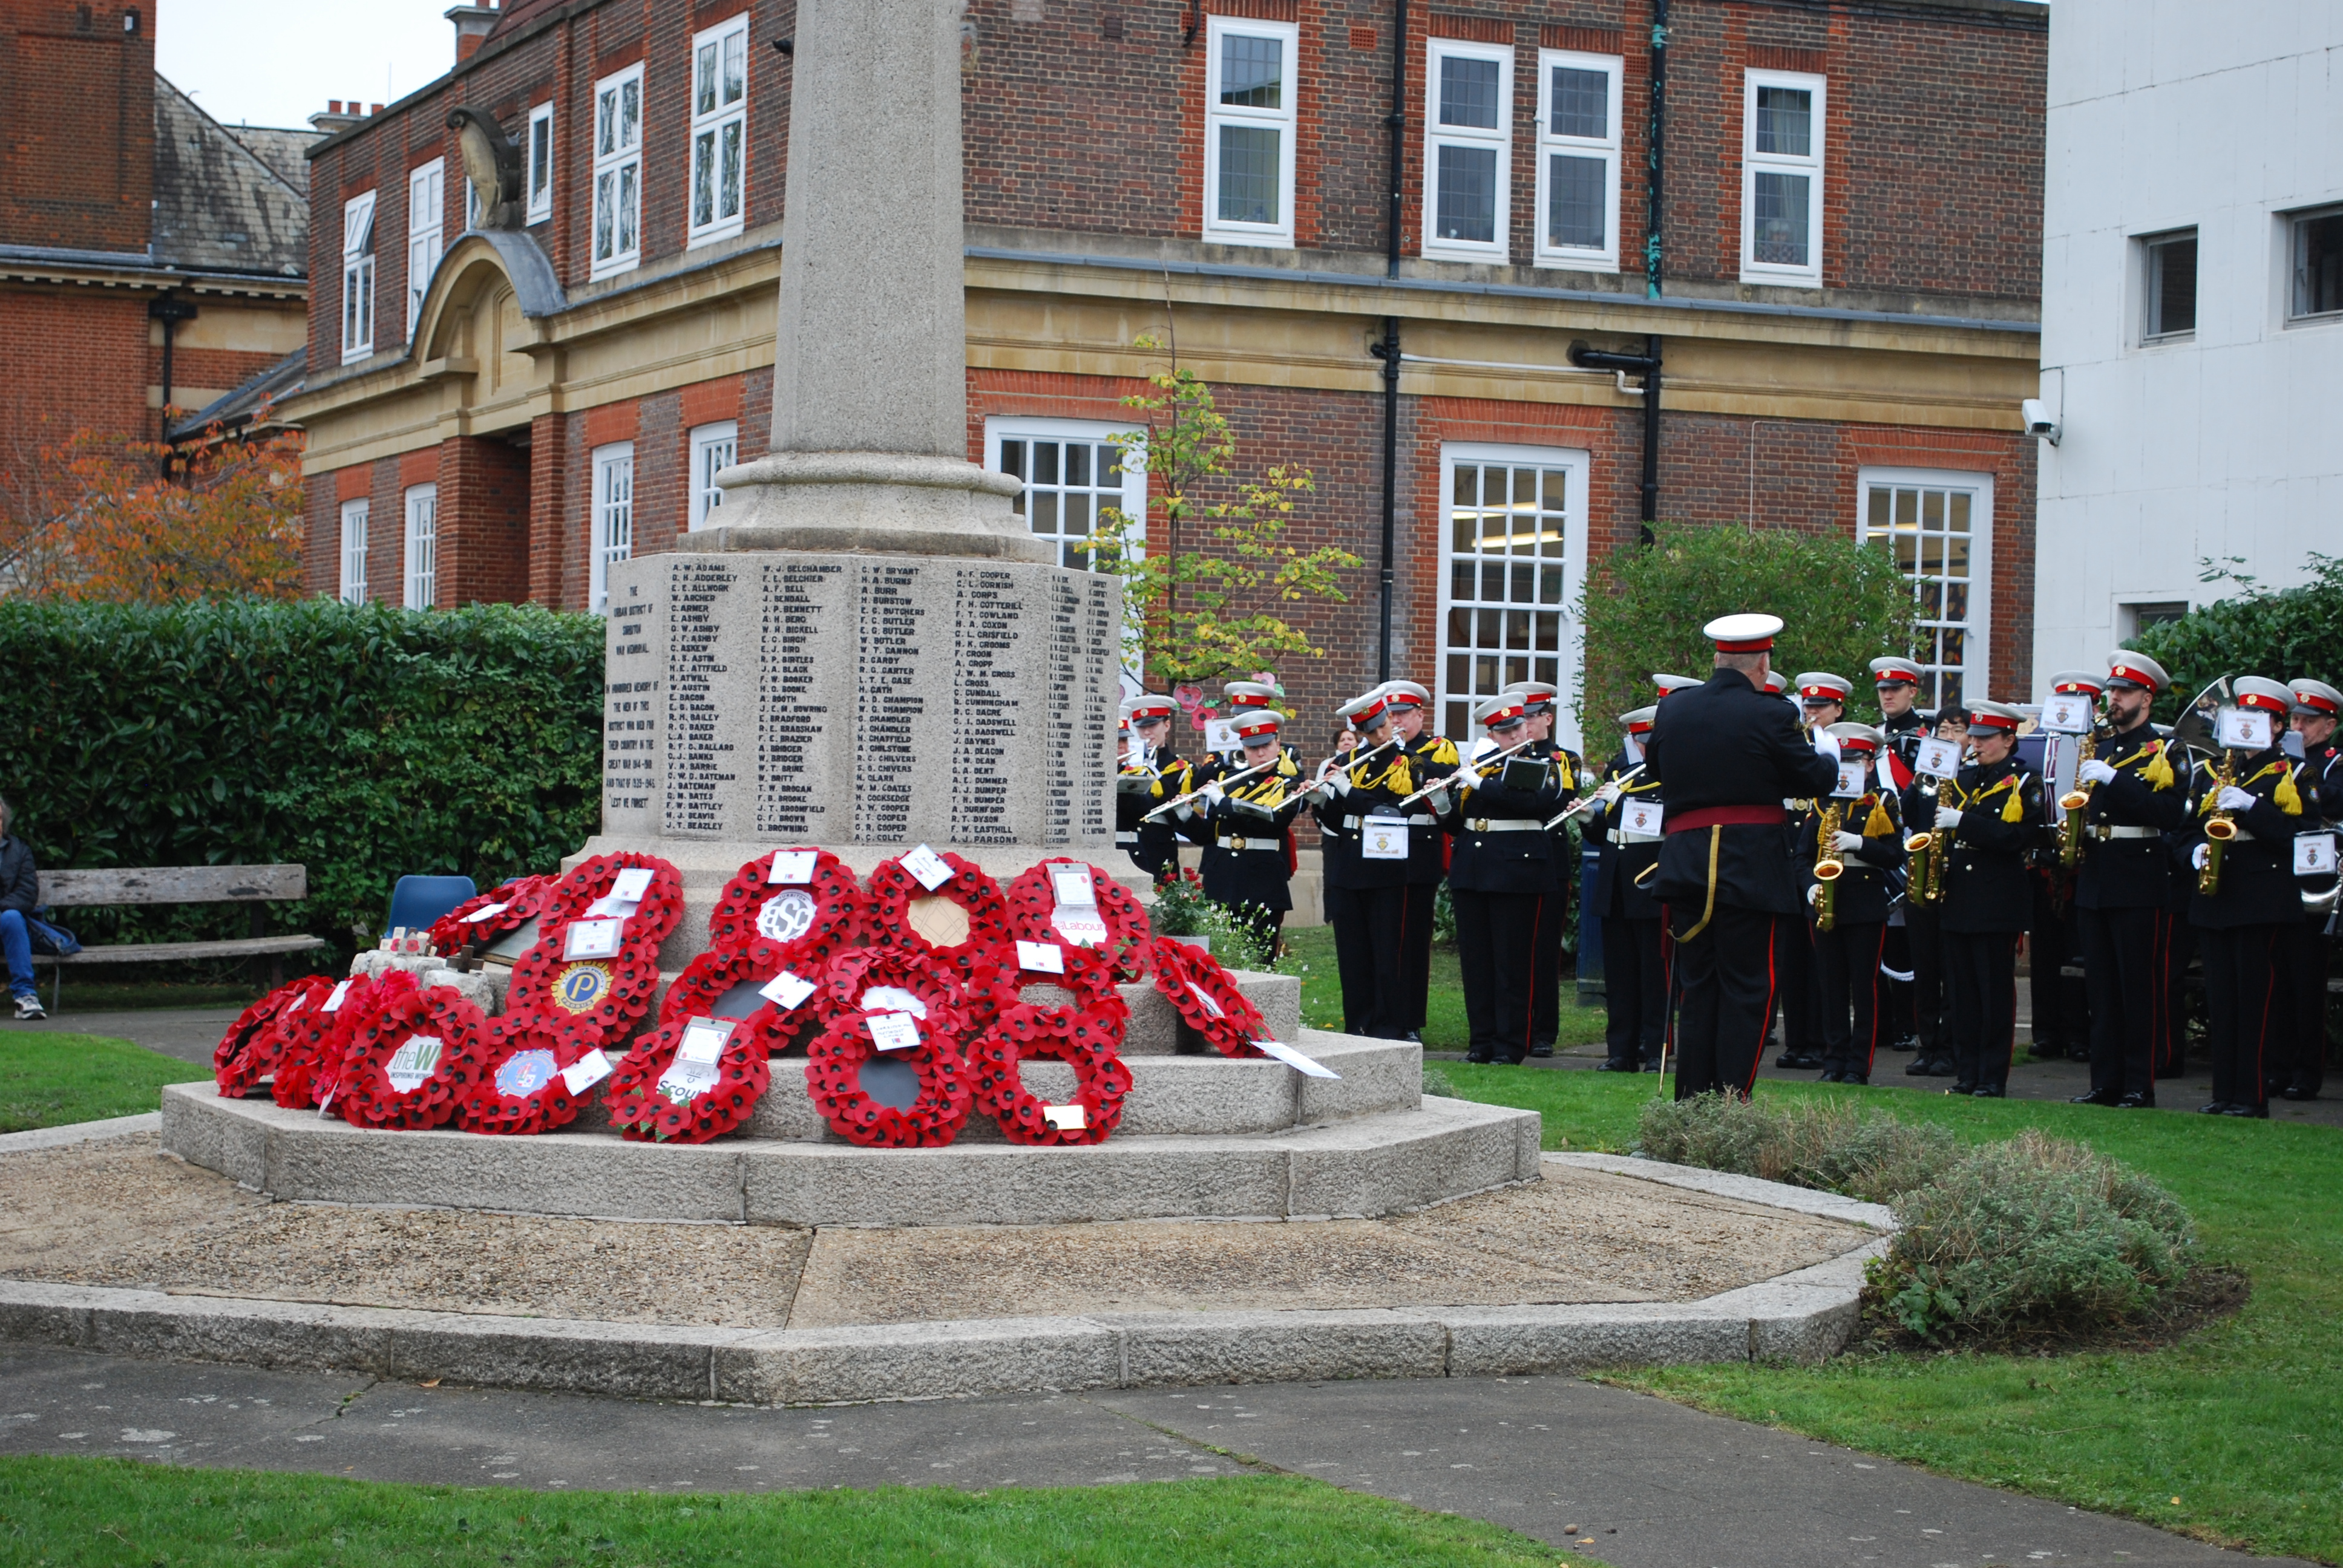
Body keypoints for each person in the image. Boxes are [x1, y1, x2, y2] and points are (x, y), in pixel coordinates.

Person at [1644, 613, 1838, 1099]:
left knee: (1699, 986)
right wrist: (1829, 756)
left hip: (1687, 863)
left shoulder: (1674, 710)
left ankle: (1692, 1100)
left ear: (1717, 658)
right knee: (1749, 988)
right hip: (1749, 865)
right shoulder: (1772, 713)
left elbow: (1657, 769)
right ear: (1763, 662)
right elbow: (1812, 780)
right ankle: (1732, 1101)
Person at [2185, 677, 2313, 1119]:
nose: (2249, 726)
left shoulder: (2294, 774)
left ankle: (2252, 1096)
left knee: (2255, 1002)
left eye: (2260, 719)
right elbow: (2182, 831)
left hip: (2262, 900)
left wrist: (2253, 808)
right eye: (2244, 717)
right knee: (2223, 1002)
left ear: (2278, 727)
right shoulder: (2215, 771)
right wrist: (2194, 851)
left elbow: (2303, 841)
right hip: (2217, 895)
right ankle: (2224, 1093)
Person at [2065, 655, 2187, 1109]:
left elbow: (2169, 814)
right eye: (2112, 692)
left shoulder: (2166, 751)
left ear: (2146, 699)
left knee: (2138, 987)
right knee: (2101, 987)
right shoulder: (2101, 746)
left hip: (2139, 875)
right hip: (2097, 873)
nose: (2113, 699)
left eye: (2124, 692)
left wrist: (2115, 780)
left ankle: (2140, 1083)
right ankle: (2106, 1082)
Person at [1428, 696, 1568, 1063]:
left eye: (1516, 729)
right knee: (1477, 963)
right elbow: (1458, 823)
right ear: (1491, 734)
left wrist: (1478, 781)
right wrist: (1443, 799)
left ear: (1526, 728)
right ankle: (1482, 1040)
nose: (1512, 736)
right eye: (1503, 732)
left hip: (1516, 871)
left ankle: (1510, 1044)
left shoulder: (1540, 763)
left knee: (1513, 961)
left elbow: (1529, 803)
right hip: (1473, 869)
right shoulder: (1482, 768)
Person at [1936, 701, 2041, 1097]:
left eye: (1985, 738)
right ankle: (1967, 1073)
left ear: (2009, 739)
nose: (1976, 745)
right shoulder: (1963, 778)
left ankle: (1993, 1076)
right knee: (1962, 993)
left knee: (1994, 992)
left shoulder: (2023, 782)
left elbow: (2016, 838)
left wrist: (1964, 822)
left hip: (1997, 898)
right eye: (1974, 737)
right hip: (1959, 897)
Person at [1799, 722, 1906, 1084]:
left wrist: (1861, 844)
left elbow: (1894, 855)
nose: (1845, 767)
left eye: (1853, 760)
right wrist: (1810, 886)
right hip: (1826, 903)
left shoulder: (1883, 802)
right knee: (1830, 987)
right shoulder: (1821, 801)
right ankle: (1833, 1061)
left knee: (1863, 987)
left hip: (1864, 903)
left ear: (1870, 764)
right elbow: (1801, 857)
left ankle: (1859, 1065)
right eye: (1840, 760)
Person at [1311, 690, 1417, 1037]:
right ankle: (1358, 1022)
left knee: (1387, 951)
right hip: (1349, 862)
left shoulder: (1407, 761)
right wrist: (1321, 799)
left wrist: (1347, 790)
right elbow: (1336, 820)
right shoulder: (1351, 760)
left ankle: (1389, 1024)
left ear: (1389, 720)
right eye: (1370, 732)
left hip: (1385, 861)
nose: (1380, 736)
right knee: (1352, 953)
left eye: (1382, 726)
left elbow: (1391, 810)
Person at [1177, 707, 1305, 960]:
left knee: (1260, 959)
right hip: (1223, 879)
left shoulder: (1289, 785)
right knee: (1220, 961)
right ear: (1244, 749)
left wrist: (1223, 802)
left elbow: (1270, 823)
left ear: (1278, 745)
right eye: (1252, 748)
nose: (1260, 753)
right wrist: (1184, 815)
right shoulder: (1227, 780)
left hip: (1263, 881)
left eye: (1266, 745)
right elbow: (1207, 835)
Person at [1775, 673, 1855, 1071]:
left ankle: (1824, 1041)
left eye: (1821, 707)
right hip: (1790, 859)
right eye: (1808, 707)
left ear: (1838, 709)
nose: (1812, 714)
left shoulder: (1845, 749)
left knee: (1821, 962)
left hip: (1824, 855)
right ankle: (1797, 1041)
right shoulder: (1794, 745)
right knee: (1791, 960)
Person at [1502, 679, 1584, 1056]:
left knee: (1544, 949)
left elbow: (1559, 799)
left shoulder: (1562, 759)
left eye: (1532, 717)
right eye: (1521, 719)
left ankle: (1543, 1030)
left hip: (1549, 858)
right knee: (1514, 948)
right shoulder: (1498, 758)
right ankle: (1515, 1025)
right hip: (1512, 858)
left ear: (1547, 718)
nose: (1527, 725)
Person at [1584, 705, 1667, 1071]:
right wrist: (1590, 819)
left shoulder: (1672, 772)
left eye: (1648, 741)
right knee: (1619, 974)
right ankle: (1621, 1049)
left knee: (1653, 973)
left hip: (1649, 876)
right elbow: (1609, 832)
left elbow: (1655, 821)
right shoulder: (1620, 770)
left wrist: (1620, 802)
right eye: (1638, 741)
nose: (1643, 749)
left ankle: (1655, 1050)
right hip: (1616, 879)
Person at [1378, 680, 1458, 1041]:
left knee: (1412, 941)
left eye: (1403, 715)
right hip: (1381, 847)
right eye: (1390, 715)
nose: (1396, 722)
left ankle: (1409, 1019)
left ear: (1419, 715)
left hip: (1418, 847)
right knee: (1384, 935)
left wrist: (1400, 754)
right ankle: (1383, 1014)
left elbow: (1436, 780)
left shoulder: (1438, 748)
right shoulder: (1379, 751)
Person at [1901, 708, 1968, 1077]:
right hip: (1922, 876)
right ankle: (1927, 1045)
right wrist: (1917, 779)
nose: (1948, 737)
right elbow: (1905, 816)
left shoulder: (1969, 777)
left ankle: (1950, 1047)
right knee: (1925, 969)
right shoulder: (1927, 778)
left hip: (1955, 880)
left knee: (1951, 970)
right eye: (1942, 730)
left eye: (1956, 731)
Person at [2282, 678, 2341, 1100]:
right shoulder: (2278, 762)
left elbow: (2330, 801)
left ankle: (2306, 1073)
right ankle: (2276, 1066)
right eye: (2294, 719)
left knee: (2306, 985)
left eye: (2308, 720)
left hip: (2317, 884)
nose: (2298, 727)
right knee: (2277, 981)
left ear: (2329, 726)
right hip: (2277, 878)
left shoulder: (2334, 763)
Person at [1868, 657, 1927, 1053]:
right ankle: (1885, 1023)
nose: (1888, 695)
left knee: (1912, 942)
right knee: (1881, 937)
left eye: (1896, 689)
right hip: (1881, 844)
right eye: (1883, 690)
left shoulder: (1930, 736)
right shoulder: (1870, 738)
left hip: (1916, 846)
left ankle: (1913, 1023)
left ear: (1913, 692)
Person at [1121, 695, 1191, 883]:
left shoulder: (1181, 768)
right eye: (1141, 727)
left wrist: (1157, 776)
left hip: (1159, 849)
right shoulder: (1125, 764)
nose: (1147, 732)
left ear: (1167, 726)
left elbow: (1180, 817)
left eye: (1152, 725)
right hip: (1128, 847)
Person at [1, 795, 44, 1020]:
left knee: (12, 917)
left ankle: (26, 996)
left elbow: (28, 894)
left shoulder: (19, 851)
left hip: (9, 926)